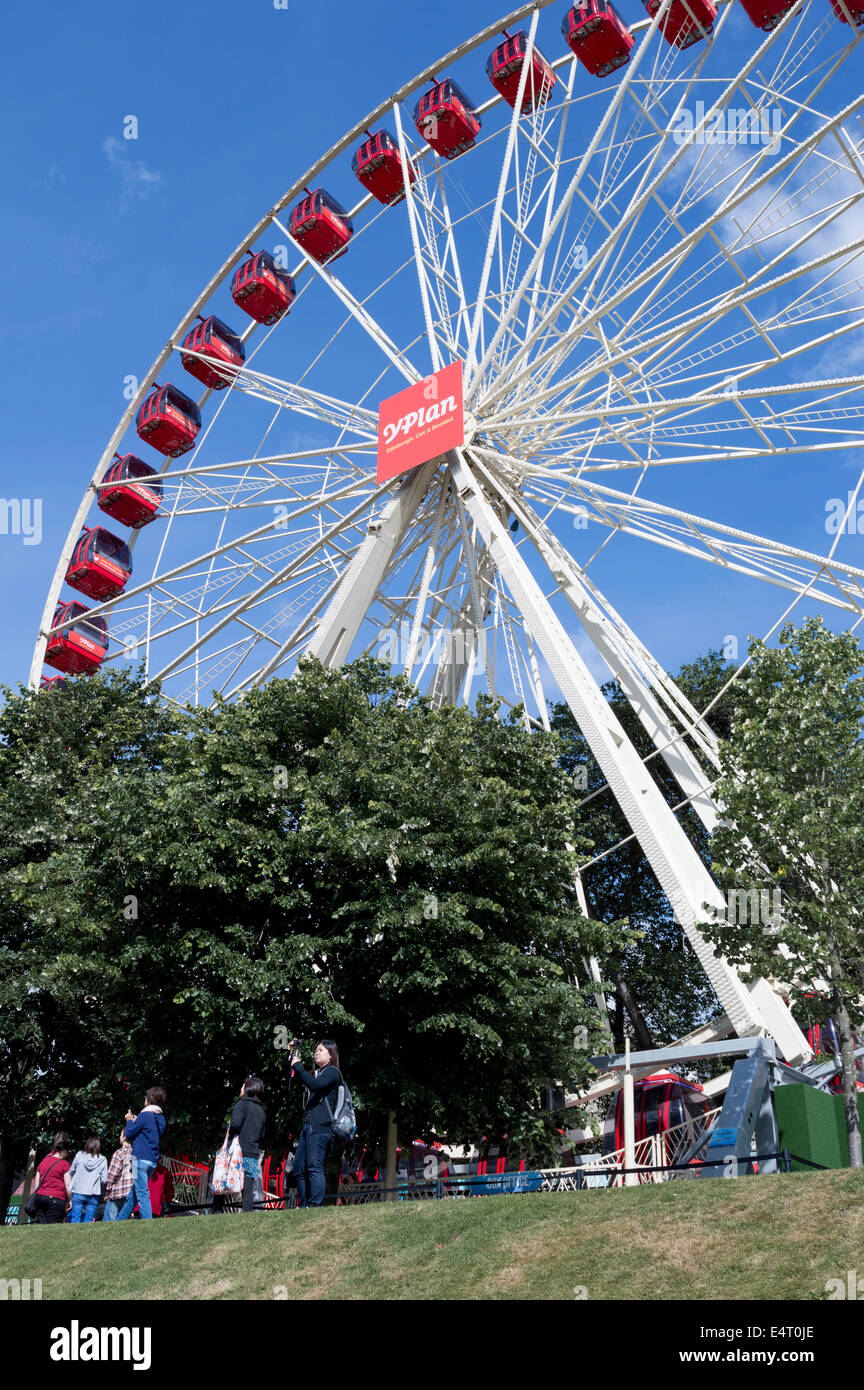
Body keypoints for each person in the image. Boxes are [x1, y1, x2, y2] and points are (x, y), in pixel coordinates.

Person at [288, 1039, 342, 1209]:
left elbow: (315, 1085)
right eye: (315, 1050)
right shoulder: (317, 1073)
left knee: (314, 1166)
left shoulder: (332, 1072)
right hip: (309, 1126)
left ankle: (315, 1205)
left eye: (321, 1050)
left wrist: (299, 1067)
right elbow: (300, 1076)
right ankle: (304, 1204)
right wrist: (292, 1053)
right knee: (298, 1168)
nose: (316, 1053)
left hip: (321, 1127)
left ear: (331, 1056)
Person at [117, 1085, 166, 1221]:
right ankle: (118, 1221)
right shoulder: (160, 1118)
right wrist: (136, 1121)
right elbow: (148, 1131)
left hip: (137, 1158)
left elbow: (129, 1133)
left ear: (150, 1099)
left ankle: (147, 1223)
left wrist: (129, 1121)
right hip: (152, 1160)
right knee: (134, 1194)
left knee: (142, 1193)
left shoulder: (145, 1115)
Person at [227, 1077, 267, 1214]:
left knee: (225, 1179)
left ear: (249, 1088)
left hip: (236, 1153)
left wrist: (230, 1134)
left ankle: (217, 1209)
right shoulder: (261, 1111)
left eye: (243, 1085)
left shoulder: (241, 1104)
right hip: (252, 1153)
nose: (241, 1088)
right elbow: (262, 1134)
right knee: (248, 1187)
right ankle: (247, 1213)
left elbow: (236, 1124)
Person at [29, 1134, 73, 1224]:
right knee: (53, 1230)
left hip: (40, 1199)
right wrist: (70, 1200)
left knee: (41, 1229)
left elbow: (37, 1185)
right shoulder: (65, 1164)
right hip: (56, 1200)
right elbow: (68, 1185)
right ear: (65, 1150)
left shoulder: (43, 1161)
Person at [68, 1137, 108, 1222]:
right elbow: (104, 1179)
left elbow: (71, 1171)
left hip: (78, 1191)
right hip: (93, 1193)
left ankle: (74, 1234)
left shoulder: (79, 1155)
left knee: (75, 1218)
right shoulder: (102, 1159)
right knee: (89, 1220)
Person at [103, 1127, 133, 1222]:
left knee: (109, 1221)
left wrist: (108, 1191)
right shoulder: (135, 1154)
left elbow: (112, 1175)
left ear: (123, 1137)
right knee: (124, 1222)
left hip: (118, 1192)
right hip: (130, 1193)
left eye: (120, 1134)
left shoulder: (119, 1153)